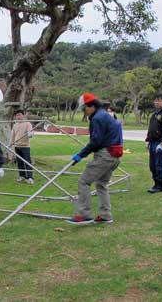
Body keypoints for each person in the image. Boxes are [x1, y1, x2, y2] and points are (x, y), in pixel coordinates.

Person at [67, 93, 123, 225]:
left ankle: (84, 214)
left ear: (91, 106)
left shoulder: (97, 118)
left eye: (84, 109)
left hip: (105, 155)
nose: (84, 112)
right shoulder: (105, 115)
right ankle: (105, 215)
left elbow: (95, 142)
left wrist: (80, 155)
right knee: (101, 184)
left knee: (84, 181)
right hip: (115, 155)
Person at [9, 109, 34, 184]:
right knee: (19, 162)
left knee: (27, 162)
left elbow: (30, 133)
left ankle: (29, 177)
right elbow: (12, 136)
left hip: (25, 146)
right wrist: (10, 144)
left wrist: (30, 134)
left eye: (20, 115)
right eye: (17, 115)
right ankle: (22, 176)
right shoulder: (15, 125)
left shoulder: (27, 124)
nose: (18, 116)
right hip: (17, 146)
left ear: (23, 115)